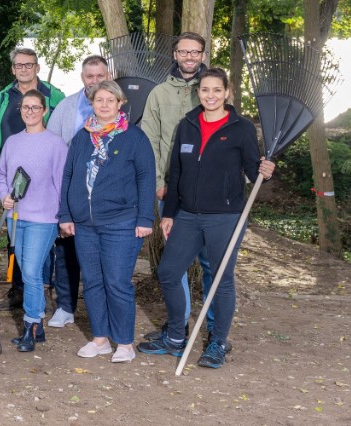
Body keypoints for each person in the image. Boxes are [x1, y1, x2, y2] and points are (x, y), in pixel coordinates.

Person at [138, 68, 274, 369]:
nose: (210, 95)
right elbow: (177, 172)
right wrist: (170, 213)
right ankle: (175, 336)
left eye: (216, 90)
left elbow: (254, 173)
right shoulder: (187, 124)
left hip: (225, 217)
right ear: (197, 92)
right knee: (170, 272)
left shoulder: (241, 128)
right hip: (187, 214)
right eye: (204, 90)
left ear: (227, 92)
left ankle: (218, 342)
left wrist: (266, 171)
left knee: (221, 281)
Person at [57, 80, 154, 363]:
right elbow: (68, 176)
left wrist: (145, 218)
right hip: (85, 224)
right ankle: (100, 339)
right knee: (93, 281)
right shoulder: (82, 137)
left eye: (110, 100)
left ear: (120, 103)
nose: (104, 105)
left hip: (122, 222)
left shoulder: (134, 137)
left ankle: (124, 342)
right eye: (99, 100)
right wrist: (65, 214)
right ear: (92, 103)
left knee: (117, 281)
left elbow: (146, 178)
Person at [140, 32, 215, 342]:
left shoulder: (212, 90)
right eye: (184, 52)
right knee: (176, 262)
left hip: (210, 196)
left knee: (212, 263)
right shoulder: (159, 93)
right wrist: (159, 183)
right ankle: (178, 327)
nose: (189, 57)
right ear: (174, 54)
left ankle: (214, 329)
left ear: (201, 55)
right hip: (172, 193)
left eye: (195, 52)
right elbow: (150, 140)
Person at [0, 47, 66, 312]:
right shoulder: (3, 95)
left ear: (37, 67)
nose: (23, 69)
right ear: (13, 69)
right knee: (17, 242)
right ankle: (19, 290)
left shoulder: (54, 95)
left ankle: (40, 292)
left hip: (43, 180)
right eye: (19, 65)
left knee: (39, 247)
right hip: (11, 174)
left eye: (28, 65)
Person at [0, 90, 67, 352]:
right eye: (26, 107)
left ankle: (31, 325)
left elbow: (63, 185)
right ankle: (40, 325)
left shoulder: (56, 145)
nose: (30, 112)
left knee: (33, 273)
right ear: (20, 110)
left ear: (44, 111)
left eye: (35, 108)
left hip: (43, 219)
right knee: (26, 272)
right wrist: (3, 196)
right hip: (15, 218)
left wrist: (63, 218)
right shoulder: (12, 143)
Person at [41, 54, 108, 328]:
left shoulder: (119, 108)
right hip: (71, 189)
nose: (94, 81)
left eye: (99, 76)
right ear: (82, 78)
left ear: (108, 76)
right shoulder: (67, 107)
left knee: (101, 252)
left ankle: (100, 309)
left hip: (106, 194)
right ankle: (66, 306)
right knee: (66, 248)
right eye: (89, 76)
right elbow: (51, 149)